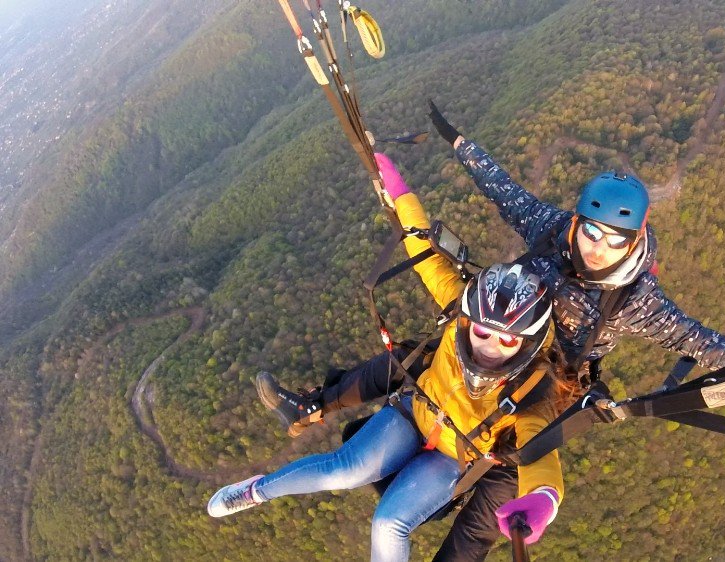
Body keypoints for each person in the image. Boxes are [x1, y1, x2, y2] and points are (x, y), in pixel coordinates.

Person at [257, 105, 725, 560]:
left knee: (488, 506)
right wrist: (458, 143)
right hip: (498, 334)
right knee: (418, 360)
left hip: (545, 388)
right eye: (591, 231)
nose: (594, 247)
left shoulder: (634, 300)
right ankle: (310, 404)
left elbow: (702, 342)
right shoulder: (554, 229)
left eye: (610, 239)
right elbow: (503, 189)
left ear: (634, 238)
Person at [208, 154, 577, 561]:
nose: (488, 346)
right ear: (470, 320)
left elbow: (541, 453)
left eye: (506, 341)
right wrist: (401, 195)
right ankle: (256, 490)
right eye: (483, 331)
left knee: (388, 524)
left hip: (454, 455)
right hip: (413, 414)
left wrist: (544, 499)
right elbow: (425, 252)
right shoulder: (460, 312)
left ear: (527, 343)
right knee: (342, 470)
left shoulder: (533, 390)